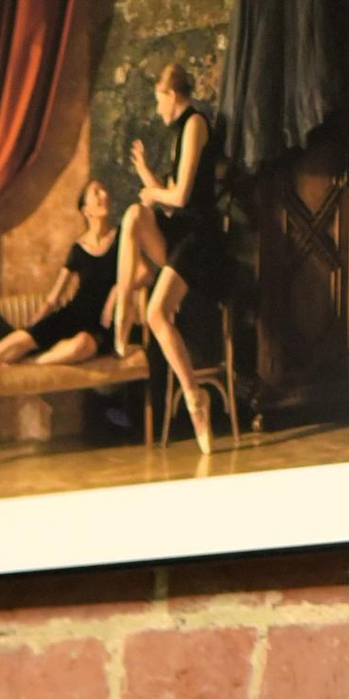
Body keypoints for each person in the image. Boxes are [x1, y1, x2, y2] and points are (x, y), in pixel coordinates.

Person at [115, 64, 232, 454]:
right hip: (181, 233)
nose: (158, 109)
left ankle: (195, 398)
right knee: (133, 215)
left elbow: (181, 198)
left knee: (156, 314)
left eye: (158, 100)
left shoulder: (195, 123)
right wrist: (148, 177)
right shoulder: (178, 132)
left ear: (172, 94)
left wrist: (153, 193)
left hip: (201, 240)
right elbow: (167, 202)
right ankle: (121, 320)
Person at [0, 180, 122, 405]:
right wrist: (33, 326)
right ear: (86, 210)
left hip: (98, 324)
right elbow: (55, 296)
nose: (103, 194)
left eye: (104, 190)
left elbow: (142, 274)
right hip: (71, 314)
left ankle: (32, 363)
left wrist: (116, 293)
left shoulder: (120, 239)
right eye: (96, 192)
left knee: (82, 345)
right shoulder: (77, 249)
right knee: (25, 337)